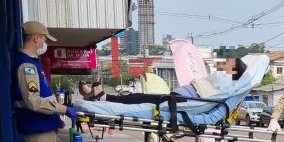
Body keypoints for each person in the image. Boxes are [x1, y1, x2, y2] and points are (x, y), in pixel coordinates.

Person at [79, 58, 247, 105]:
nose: (223, 63)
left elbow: (217, 78)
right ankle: (102, 97)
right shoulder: (222, 80)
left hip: (181, 101)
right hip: (178, 98)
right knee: (139, 98)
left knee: (139, 98)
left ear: (233, 70)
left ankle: (103, 97)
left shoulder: (226, 82)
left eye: (228, 63)